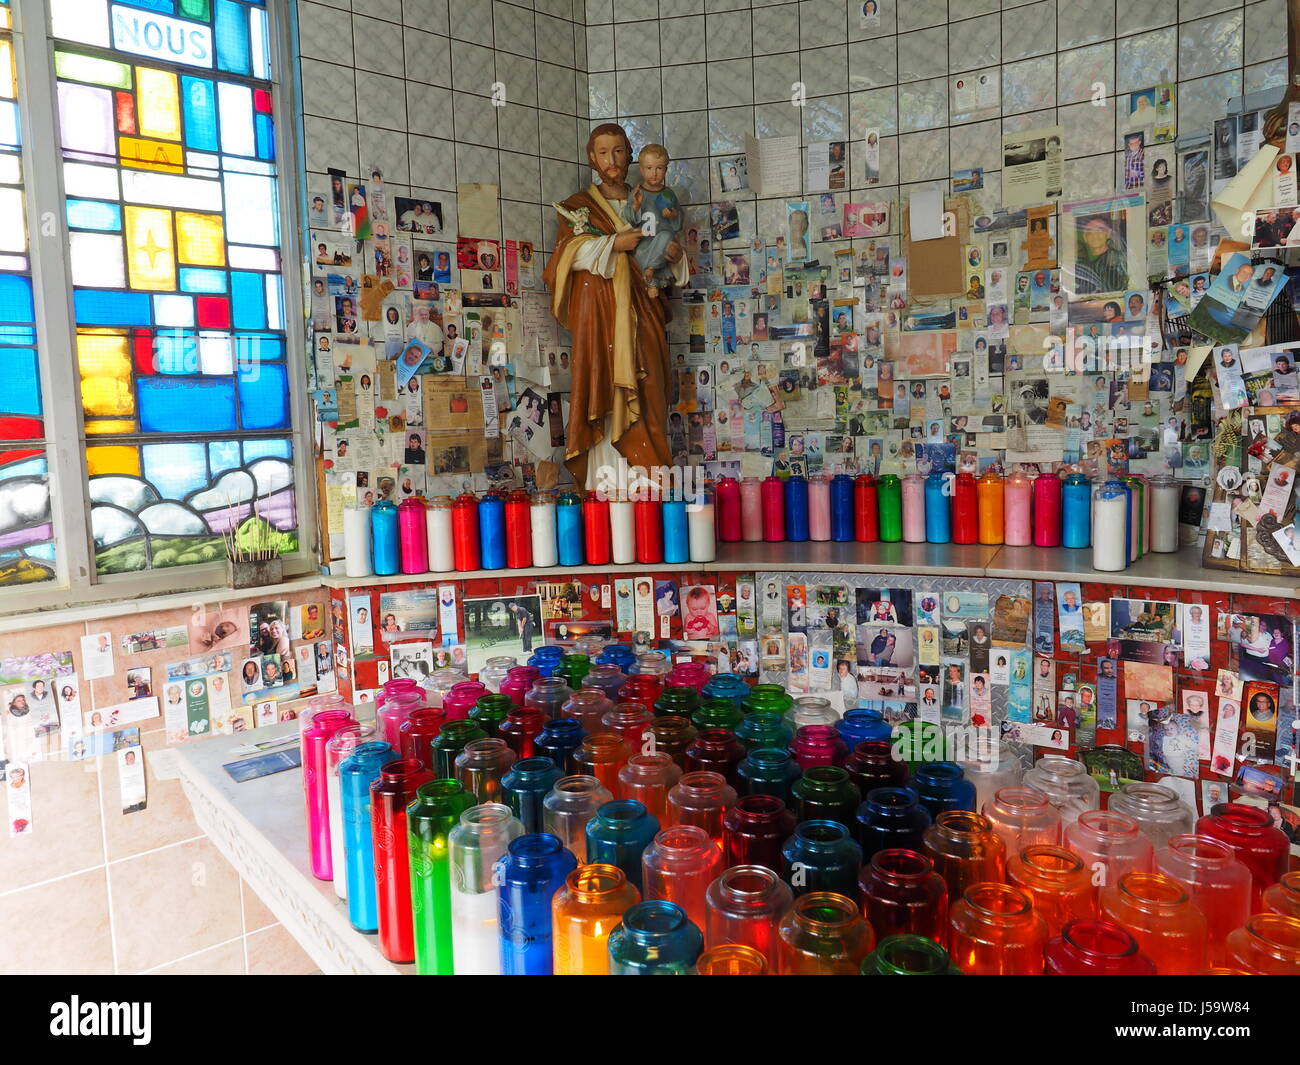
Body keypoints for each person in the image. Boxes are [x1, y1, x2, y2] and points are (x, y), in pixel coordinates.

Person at [543, 124, 684, 488]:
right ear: (592, 157)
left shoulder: (652, 200)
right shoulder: (579, 208)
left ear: (630, 155)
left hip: (646, 315)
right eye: (603, 152)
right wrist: (612, 244)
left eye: (619, 151)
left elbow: (670, 257)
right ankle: (609, 492)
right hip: (602, 322)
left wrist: (676, 256)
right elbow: (565, 258)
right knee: (605, 394)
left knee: (649, 392)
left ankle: (650, 494)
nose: (612, 161)